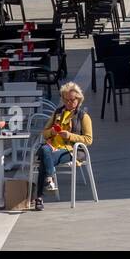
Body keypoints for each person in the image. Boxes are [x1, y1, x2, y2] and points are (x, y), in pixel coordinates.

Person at [34, 82, 93, 210]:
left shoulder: (83, 116)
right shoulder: (57, 113)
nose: (69, 103)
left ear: (79, 99)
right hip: (52, 148)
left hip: (71, 150)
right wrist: (52, 132)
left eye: (72, 100)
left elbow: (88, 140)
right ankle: (49, 179)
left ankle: (40, 196)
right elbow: (44, 133)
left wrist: (70, 136)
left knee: (44, 158)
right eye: (66, 100)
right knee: (45, 150)